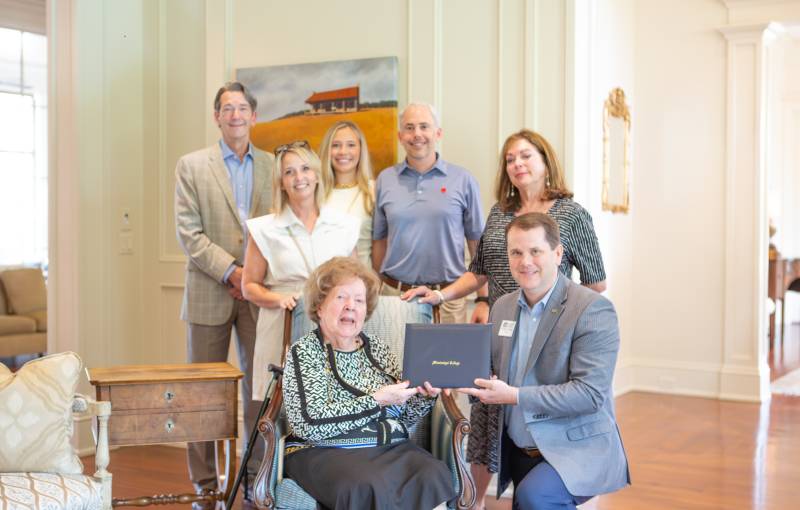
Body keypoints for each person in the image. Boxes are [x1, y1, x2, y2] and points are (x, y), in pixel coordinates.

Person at [403, 128, 607, 509]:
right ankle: (474, 502)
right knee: (485, 421)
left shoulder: (572, 214)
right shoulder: (499, 213)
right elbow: (479, 270)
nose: (517, 164)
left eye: (526, 156)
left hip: (547, 341)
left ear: (545, 161)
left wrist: (559, 319)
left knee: (539, 417)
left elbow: (596, 284)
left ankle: (552, 487)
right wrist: (442, 294)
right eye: (510, 159)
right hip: (499, 336)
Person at [459, 213, 629, 509]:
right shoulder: (502, 306)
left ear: (558, 253)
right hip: (520, 448)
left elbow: (589, 395)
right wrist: (446, 377)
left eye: (535, 251)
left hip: (575, 447)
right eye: (516, 252)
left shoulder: (593, 310)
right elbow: (491, 369)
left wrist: (514, 396)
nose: (525, 261)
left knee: (535, 496)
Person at [282, 257, 456, 509]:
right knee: (366, 485)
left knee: (433, 473)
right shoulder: (305, 352)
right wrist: (376, 401)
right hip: (325, 451)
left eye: (359, 300)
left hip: (388, 447)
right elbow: (309, 424)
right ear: (320, 306)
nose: (351, 306)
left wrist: (424, 396)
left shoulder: (378, 350)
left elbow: (405, 418)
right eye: (341, 297)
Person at [174, 81, 273, 507]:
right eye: (227, 108)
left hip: (259, 294)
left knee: (258, 391)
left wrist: (251, 277)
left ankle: (253, 480)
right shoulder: (191, 165)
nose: (235, 115)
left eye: (242, 107)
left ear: (253, 115)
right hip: (209, 292)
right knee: (204, 395)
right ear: (217, 117)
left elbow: (279, 226)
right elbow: (189, 234)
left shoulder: (272, 165)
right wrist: (233, 272)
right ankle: (206, 487)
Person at [242, 141, 359, 400]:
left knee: (333, 402)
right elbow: (248, 285)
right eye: (289, 172)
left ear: (317, 175)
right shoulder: (264, 229)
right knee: (281, 404)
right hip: (281, 324)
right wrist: (279, 299)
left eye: (305, 169)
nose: (299, 178)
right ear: (281, 182)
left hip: (334, 327)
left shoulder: (343, 225)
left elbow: (356, 281)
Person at [372, 101, 486, 323]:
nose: (417, 134)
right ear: (400, 135)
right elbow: (379, 241)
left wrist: (484, 299)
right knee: (394, 358)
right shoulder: (385, 179)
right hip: (396, 297)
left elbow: (477, 246)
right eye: (409, 127)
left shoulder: (463, 180)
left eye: (424, 126)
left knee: (448, 359)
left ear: (438, 133)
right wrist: (377, 289)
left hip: (448, 300)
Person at [319, 120, 375, 267]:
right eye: (336, 145)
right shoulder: (314, 193)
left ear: (361, 150)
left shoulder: (373, 191)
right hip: (322, 284)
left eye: (351, 145)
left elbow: (383, 246)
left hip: (364, 284)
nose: (343, 151)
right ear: (327, 150)